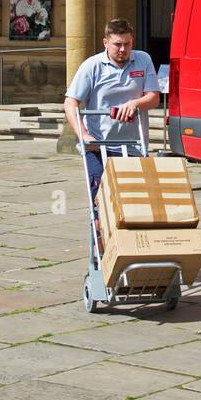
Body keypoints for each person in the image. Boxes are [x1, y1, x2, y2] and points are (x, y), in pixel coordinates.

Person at [64, 18, 161, 262]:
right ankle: (101, 258)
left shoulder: (143, 60)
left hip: (134, 146)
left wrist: (134, 103)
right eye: (117, 44)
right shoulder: (92, 66)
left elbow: (153, 98)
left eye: (127, 44)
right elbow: (71, 102)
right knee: (101, 205)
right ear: (106, 43)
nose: (123, 50)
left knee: (135, 204)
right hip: (98, 146)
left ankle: (133, 254)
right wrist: (84, 135)